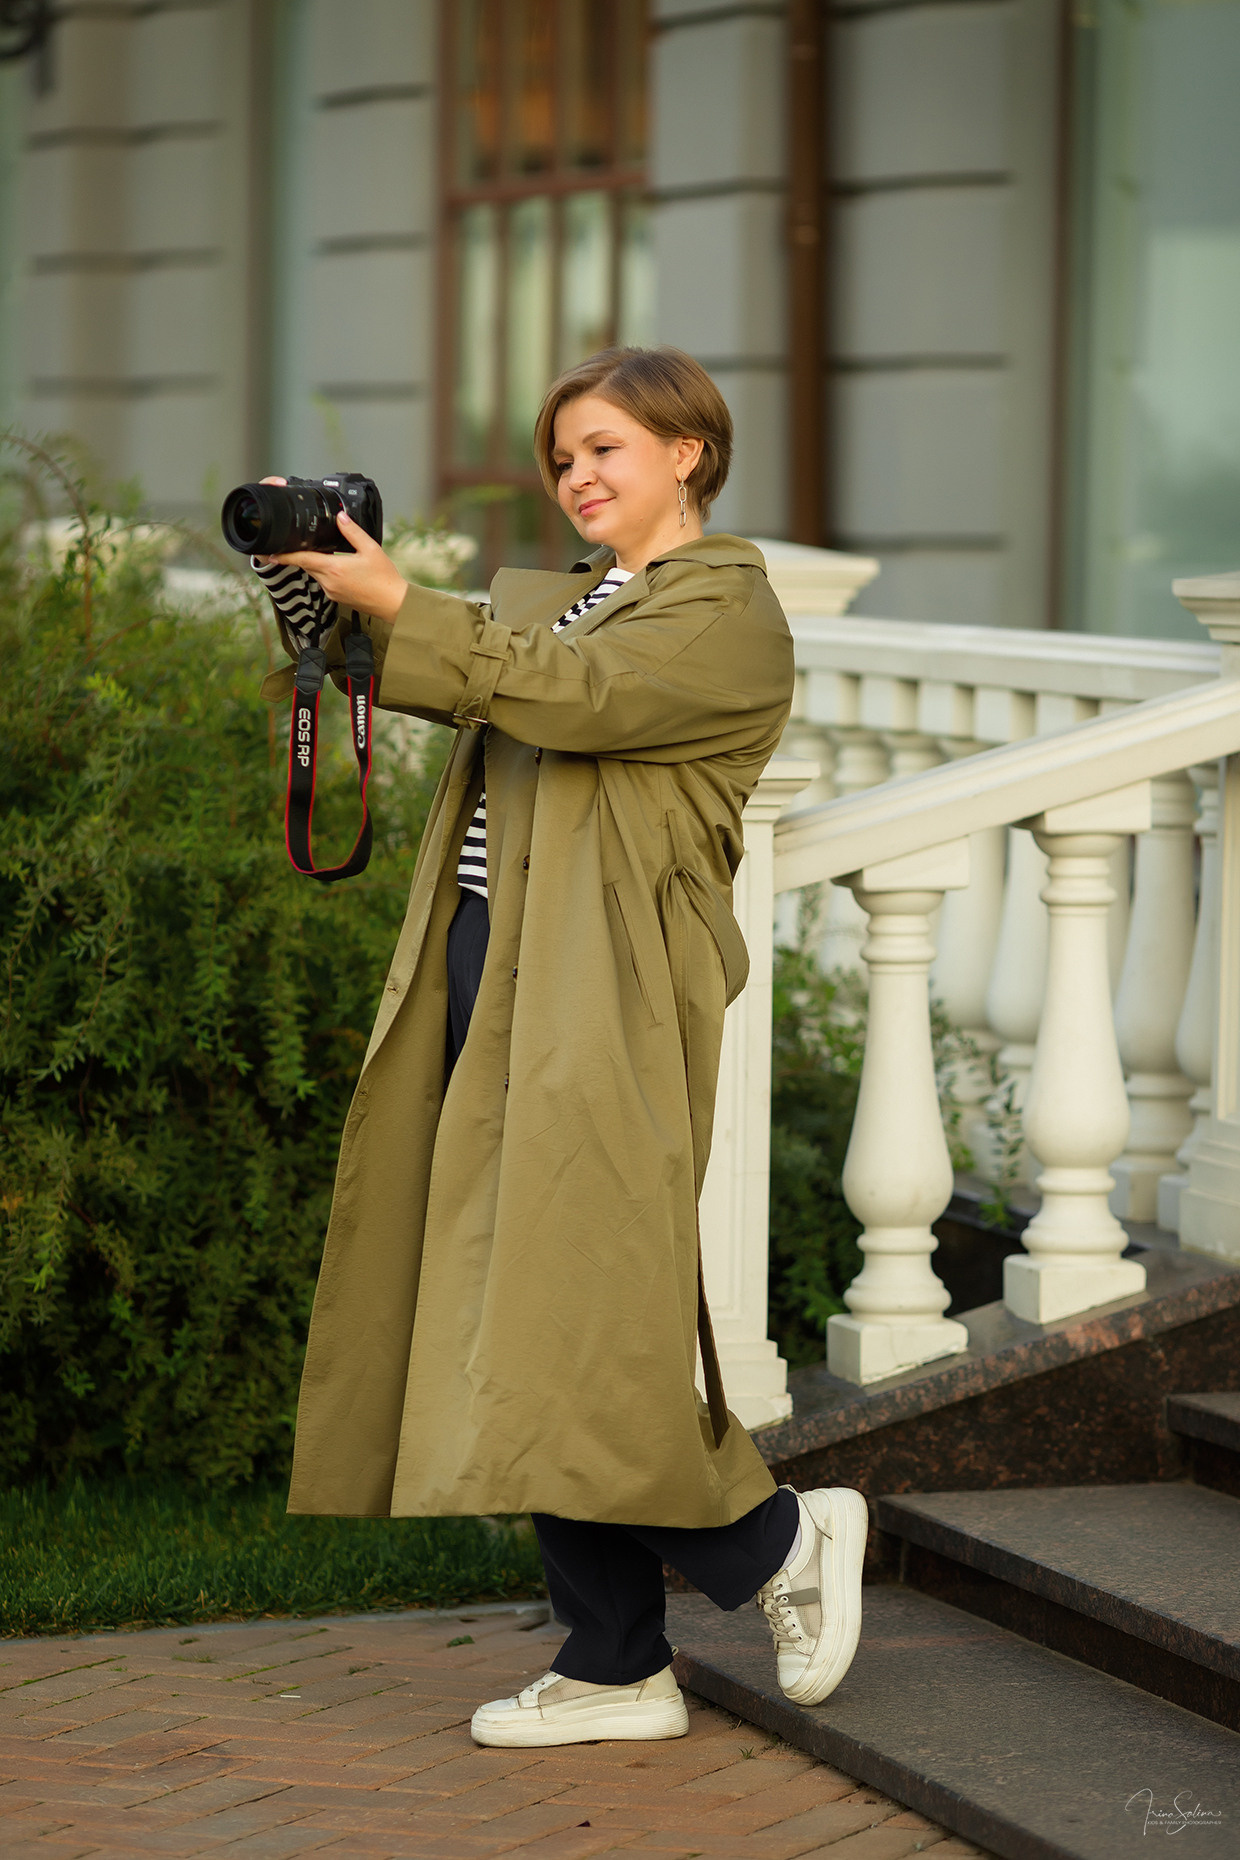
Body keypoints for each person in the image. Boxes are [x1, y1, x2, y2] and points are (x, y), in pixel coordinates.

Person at [252, 345, 868, 1749]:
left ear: (688, 453)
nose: (577, 476)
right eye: (563, 457)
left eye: (606, 449)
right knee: (520, 1310)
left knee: (576, 1308)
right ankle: (613, 1663)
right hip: (492, 960)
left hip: (605, 986)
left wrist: (410, 606)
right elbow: (469, 675)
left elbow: (577, 698)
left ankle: (773, 1543)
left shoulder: (722, 611)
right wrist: (319, 594)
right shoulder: (575, 601)